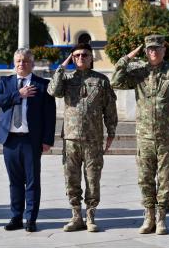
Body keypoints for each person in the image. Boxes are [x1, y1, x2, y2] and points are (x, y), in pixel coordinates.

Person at [111, 34, 169, 235]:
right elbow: (116, 81)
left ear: (164, 50)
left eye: (157, 48)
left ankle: (162, 217)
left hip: (168, 136)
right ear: (145, 51)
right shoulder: (138, 72)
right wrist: (127, 58)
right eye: (149, 49)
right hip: (144, 136)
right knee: (144, 178)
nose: (153, 52)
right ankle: (149, 216)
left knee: (165, 178)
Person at [48, 43, 117, 233]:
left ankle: (91, 215)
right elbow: (52, 91)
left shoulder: (101, 80)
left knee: (93, 179)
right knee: (71, 178)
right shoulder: (67, 79)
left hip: (93, 139)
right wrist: (62, 67)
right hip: (70, 139)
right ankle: (76, 215)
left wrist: (111, 132)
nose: (80, 58)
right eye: (76, 55)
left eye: (84, 55)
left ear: (91, 57)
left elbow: (110, 109)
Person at [0, 48, 56, 232]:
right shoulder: (6, 82)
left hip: (31, 140)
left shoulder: (42, 85)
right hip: (10, 139)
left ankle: (31, 219)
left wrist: (47, 140)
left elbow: (49, 116)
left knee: (32, 181)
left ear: (32, 64)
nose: (22, 64)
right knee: (15, 181)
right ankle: (16, 217)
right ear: (14, 63)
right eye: (18, 61)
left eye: (26, 61)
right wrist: (18, 94)